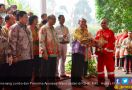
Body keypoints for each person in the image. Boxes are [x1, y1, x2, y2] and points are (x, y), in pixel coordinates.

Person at [9, 11, 33, 90]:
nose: (27, 18)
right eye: (26, 17)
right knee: (19, 79)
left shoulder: (27, 28)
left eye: (27, 17)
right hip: (20, 58)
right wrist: (14, 56)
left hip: (29, 57)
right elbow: (12, 43)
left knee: (27, 78)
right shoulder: (14, 27)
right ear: (20, 18)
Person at [39, 14, 61, 90]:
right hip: (46, 54)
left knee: (52, 71)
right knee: (44, 72)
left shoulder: (53, 28)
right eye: (53, 19)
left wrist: (58, 50)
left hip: (53, 54)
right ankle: (43, 87)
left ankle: (52, 86)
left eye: (55, 19)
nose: (55, 21)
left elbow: (56, 40)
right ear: (48, 19)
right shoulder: (44, 28)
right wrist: (44, 52)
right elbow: (41, 41)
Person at [71, 18, 93, 87]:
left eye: (85, 22)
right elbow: (81, 39)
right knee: (75, 67)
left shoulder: (86, 30)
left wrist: (90, 40)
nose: (83, 23)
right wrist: (89, 39)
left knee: (80, 67)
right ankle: (74, 82)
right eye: (82, 22)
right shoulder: (76, 30)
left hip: (82, 51)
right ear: (79, 22)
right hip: (76, 51)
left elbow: (89, 38)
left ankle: (79, 81)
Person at [94, 18, 115, 89]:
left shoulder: (110, 32)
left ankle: (111, 85)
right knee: (100, 68)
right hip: (100, 53)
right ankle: (100, 82)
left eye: (104, 23)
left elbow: (111, 42)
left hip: (108, 54)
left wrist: (105, 49)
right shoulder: (98, 32)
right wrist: (93, 43)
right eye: (102, 23)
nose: (103, 24)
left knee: (110, 69)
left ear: (107, 24)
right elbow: (96, 41)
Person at [55, 15, 70, 79]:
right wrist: (62, 36)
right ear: (59, 19)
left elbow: (68, 35)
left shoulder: (66, 27)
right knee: (57, 58)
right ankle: (56, 74)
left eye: (64, 19)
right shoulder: (56, 28)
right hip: (59, 44)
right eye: (62, 19)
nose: (63, 20)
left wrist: (68, 40)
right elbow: (55, 36)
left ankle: (62, 73)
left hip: (65, 44)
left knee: (64, 58)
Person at [0, 15, 12, 90]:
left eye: (1, 19)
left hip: (4, 57)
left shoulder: (2, 31)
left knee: (4, 73)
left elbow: (7, 45)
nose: (1, 21)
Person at [28, 15, 40, 82]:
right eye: (36, 19)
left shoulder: (37, 28)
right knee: (31, 66)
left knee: (37, 65)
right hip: (30, 50)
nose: (37, 21)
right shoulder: (28, 28)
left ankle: (36, 78)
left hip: (37, 50)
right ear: (32, 20)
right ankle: (31, 79)